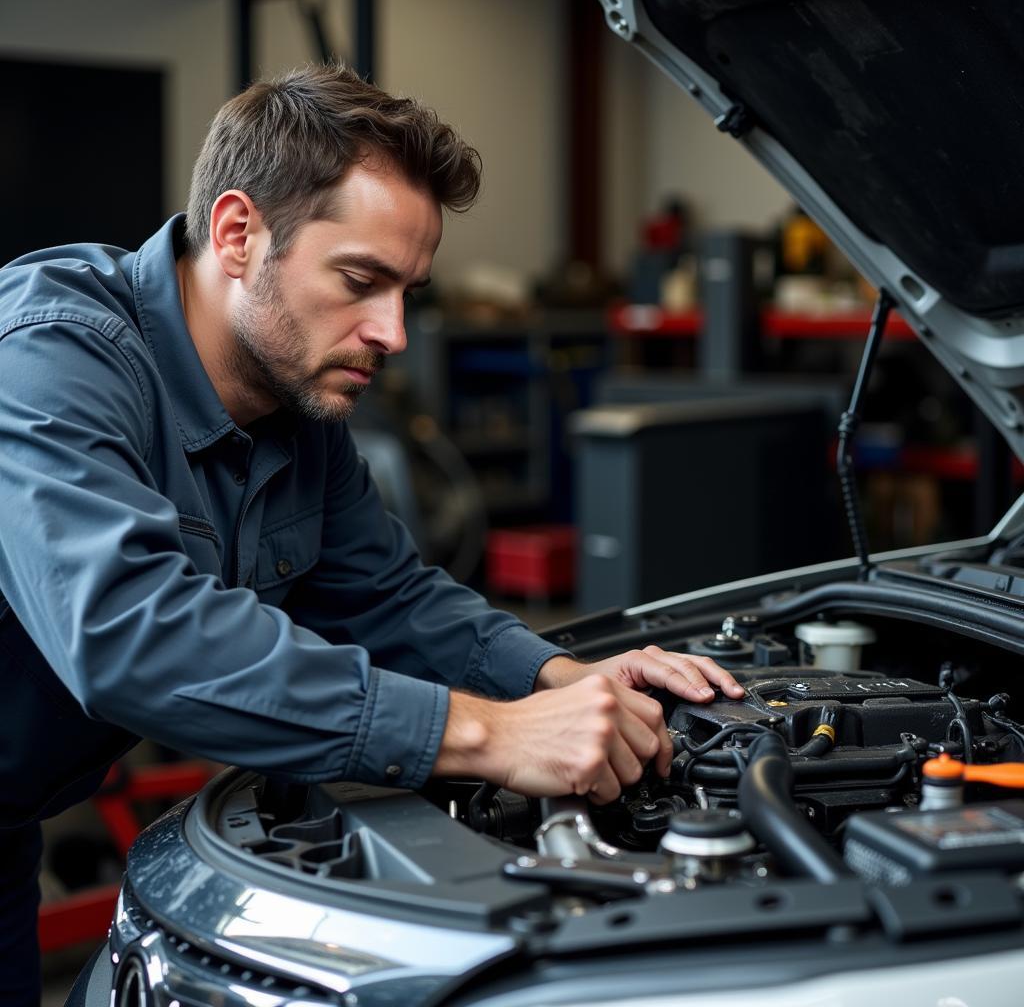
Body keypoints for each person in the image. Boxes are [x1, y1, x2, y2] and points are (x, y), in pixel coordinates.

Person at [0, 64, 744, 1002]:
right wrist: (487, 734)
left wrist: (560, 678)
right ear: (238, 235)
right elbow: (130, 634)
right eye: (360, 280)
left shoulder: (296, 409)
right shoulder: (48, 357)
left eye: (410, 291)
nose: (392, 331)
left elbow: (389, 595)